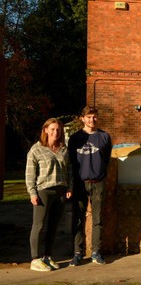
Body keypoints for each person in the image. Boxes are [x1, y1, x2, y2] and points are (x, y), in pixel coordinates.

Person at [25, 118, 73, 272]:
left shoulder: (64, 149)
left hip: (60, 192)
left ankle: (47, 256)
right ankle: (35, 259)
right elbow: (30, 175)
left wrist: (69, 187)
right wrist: (32, 193)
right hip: (43, 192)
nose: (55, 132)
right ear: (45, 130)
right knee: (38, 226)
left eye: (58, 129)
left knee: (53, 226)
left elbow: (70, 171)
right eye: (52, 129)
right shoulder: (36, 149)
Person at [68, 106, 112, 266]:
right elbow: (71, 163)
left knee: (98, 219)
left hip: (98, 183)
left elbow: (105, 159)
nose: (92, 120)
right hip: (80, 183)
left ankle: (96, 252)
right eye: (88, 117)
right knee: (78, 219)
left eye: (94, 117)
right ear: (82, 119)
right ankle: (77, 253)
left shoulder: (104, 137)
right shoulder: (75, 138)